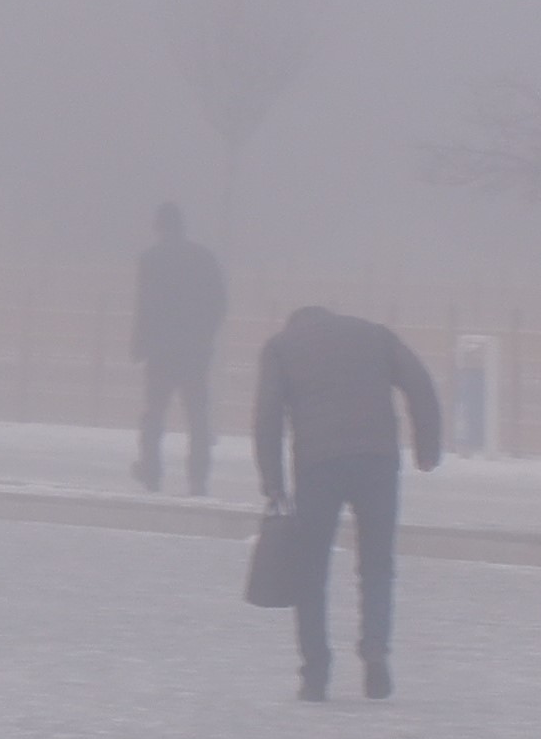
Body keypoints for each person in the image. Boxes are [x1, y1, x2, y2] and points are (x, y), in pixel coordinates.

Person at [251, 304, 442, 699]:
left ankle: (315, 673)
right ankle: (375, 652)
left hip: (317, 466)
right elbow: (420, 383)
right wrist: (428, 447)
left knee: (311, 571)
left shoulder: (281, 347)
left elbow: (266, 415)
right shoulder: (375, 334)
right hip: (377, 459)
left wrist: (273, 483)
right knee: (376, 563)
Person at [130, 204, 228, 495]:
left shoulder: (150, 260)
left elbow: (144, 306)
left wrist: (139, 344)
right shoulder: (203, 258)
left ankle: (151, 471)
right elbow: (219, 304)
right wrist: (205, 337)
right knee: (197, 415)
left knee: (154, 414)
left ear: (158, 226)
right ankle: (198, 475)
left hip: (161, 350)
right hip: (195, 351)